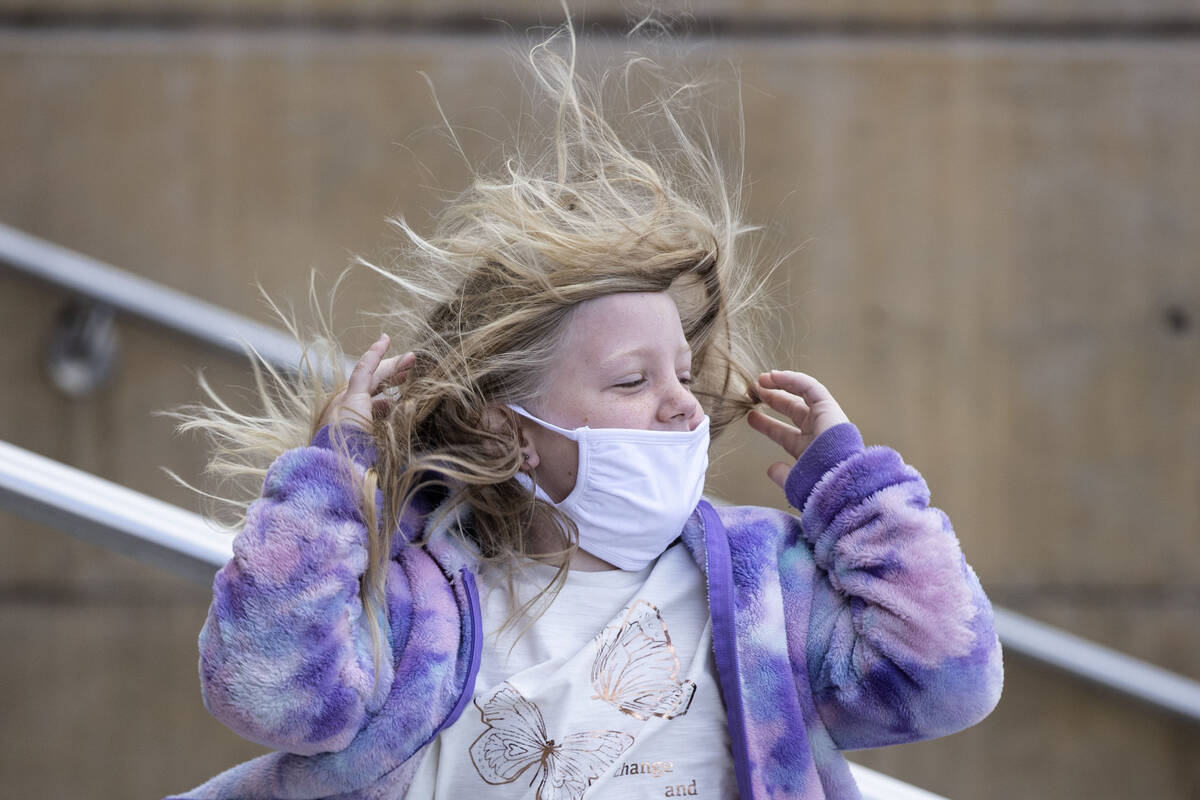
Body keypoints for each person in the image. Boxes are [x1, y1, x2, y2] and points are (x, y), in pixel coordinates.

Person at [166, 15, 1002, 800]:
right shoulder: (417, 595)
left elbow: (947, 679)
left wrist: (858, 495)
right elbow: (266, 694)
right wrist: (330, 485)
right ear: (509, 427)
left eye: (683, 373)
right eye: (632, 382)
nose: (683, 406)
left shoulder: (764, 586)